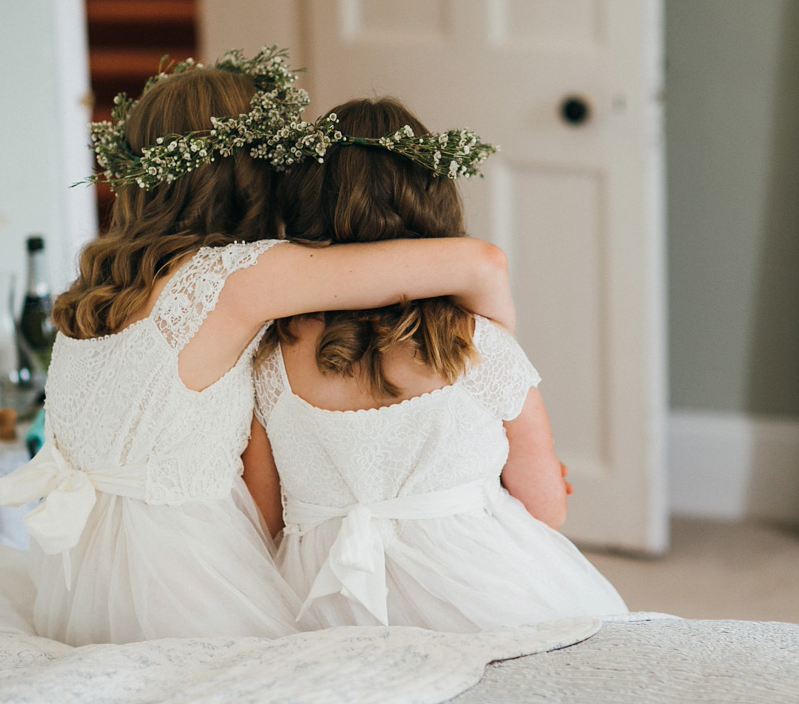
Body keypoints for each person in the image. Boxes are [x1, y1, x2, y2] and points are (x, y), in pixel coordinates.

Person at [0, 51, 516, 646]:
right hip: (183, 580)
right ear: (255, 169)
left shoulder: (99, 282)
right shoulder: (236, 276)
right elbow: (481, 262)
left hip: (79, 579)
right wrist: (498, 373)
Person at [248, 97, 627, 633]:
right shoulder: (479, 343)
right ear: (434, 199)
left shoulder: (271, 360)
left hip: (326, 602)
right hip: (484, 594)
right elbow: (547, 508)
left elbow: (266, 521)